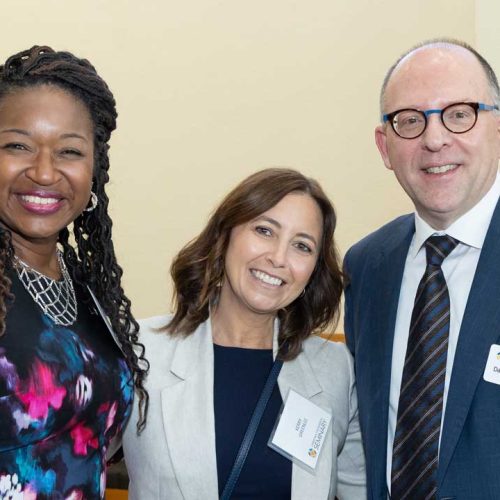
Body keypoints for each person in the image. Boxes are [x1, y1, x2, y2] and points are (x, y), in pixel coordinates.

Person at [123, 168, 366, 499]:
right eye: (264, 231)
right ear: (225, 235)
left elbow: (360, 489)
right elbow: (72, 457)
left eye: (302, 246)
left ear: (314, 269)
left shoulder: (335, 368)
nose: (278, 258)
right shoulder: (139, 351)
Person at [344, 38, 500, 500]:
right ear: (385, 146)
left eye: (459, 114)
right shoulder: (366, 267)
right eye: (410, 121)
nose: (434, 140)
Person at [0, 46, 148, 498]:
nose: (44, 173)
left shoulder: (88, 290)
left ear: (93, 169)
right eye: (17, 146)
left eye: (69, 151)